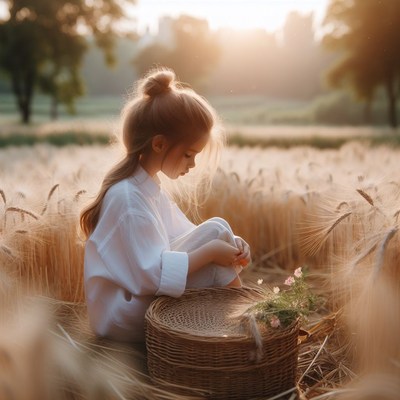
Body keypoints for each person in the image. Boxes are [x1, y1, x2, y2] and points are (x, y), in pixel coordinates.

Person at [80, 67, 251, 343]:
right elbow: (152, 275)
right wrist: (211, 252)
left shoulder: (146, 188)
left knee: (218, 228)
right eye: (188, 154)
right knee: (215, 235)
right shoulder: (127, 198)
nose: (192, 165)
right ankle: (244, 328)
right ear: (159, 144)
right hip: (121, 314)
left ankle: (242, 324)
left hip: (139, 300)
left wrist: (232, 245)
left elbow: (181, 237)